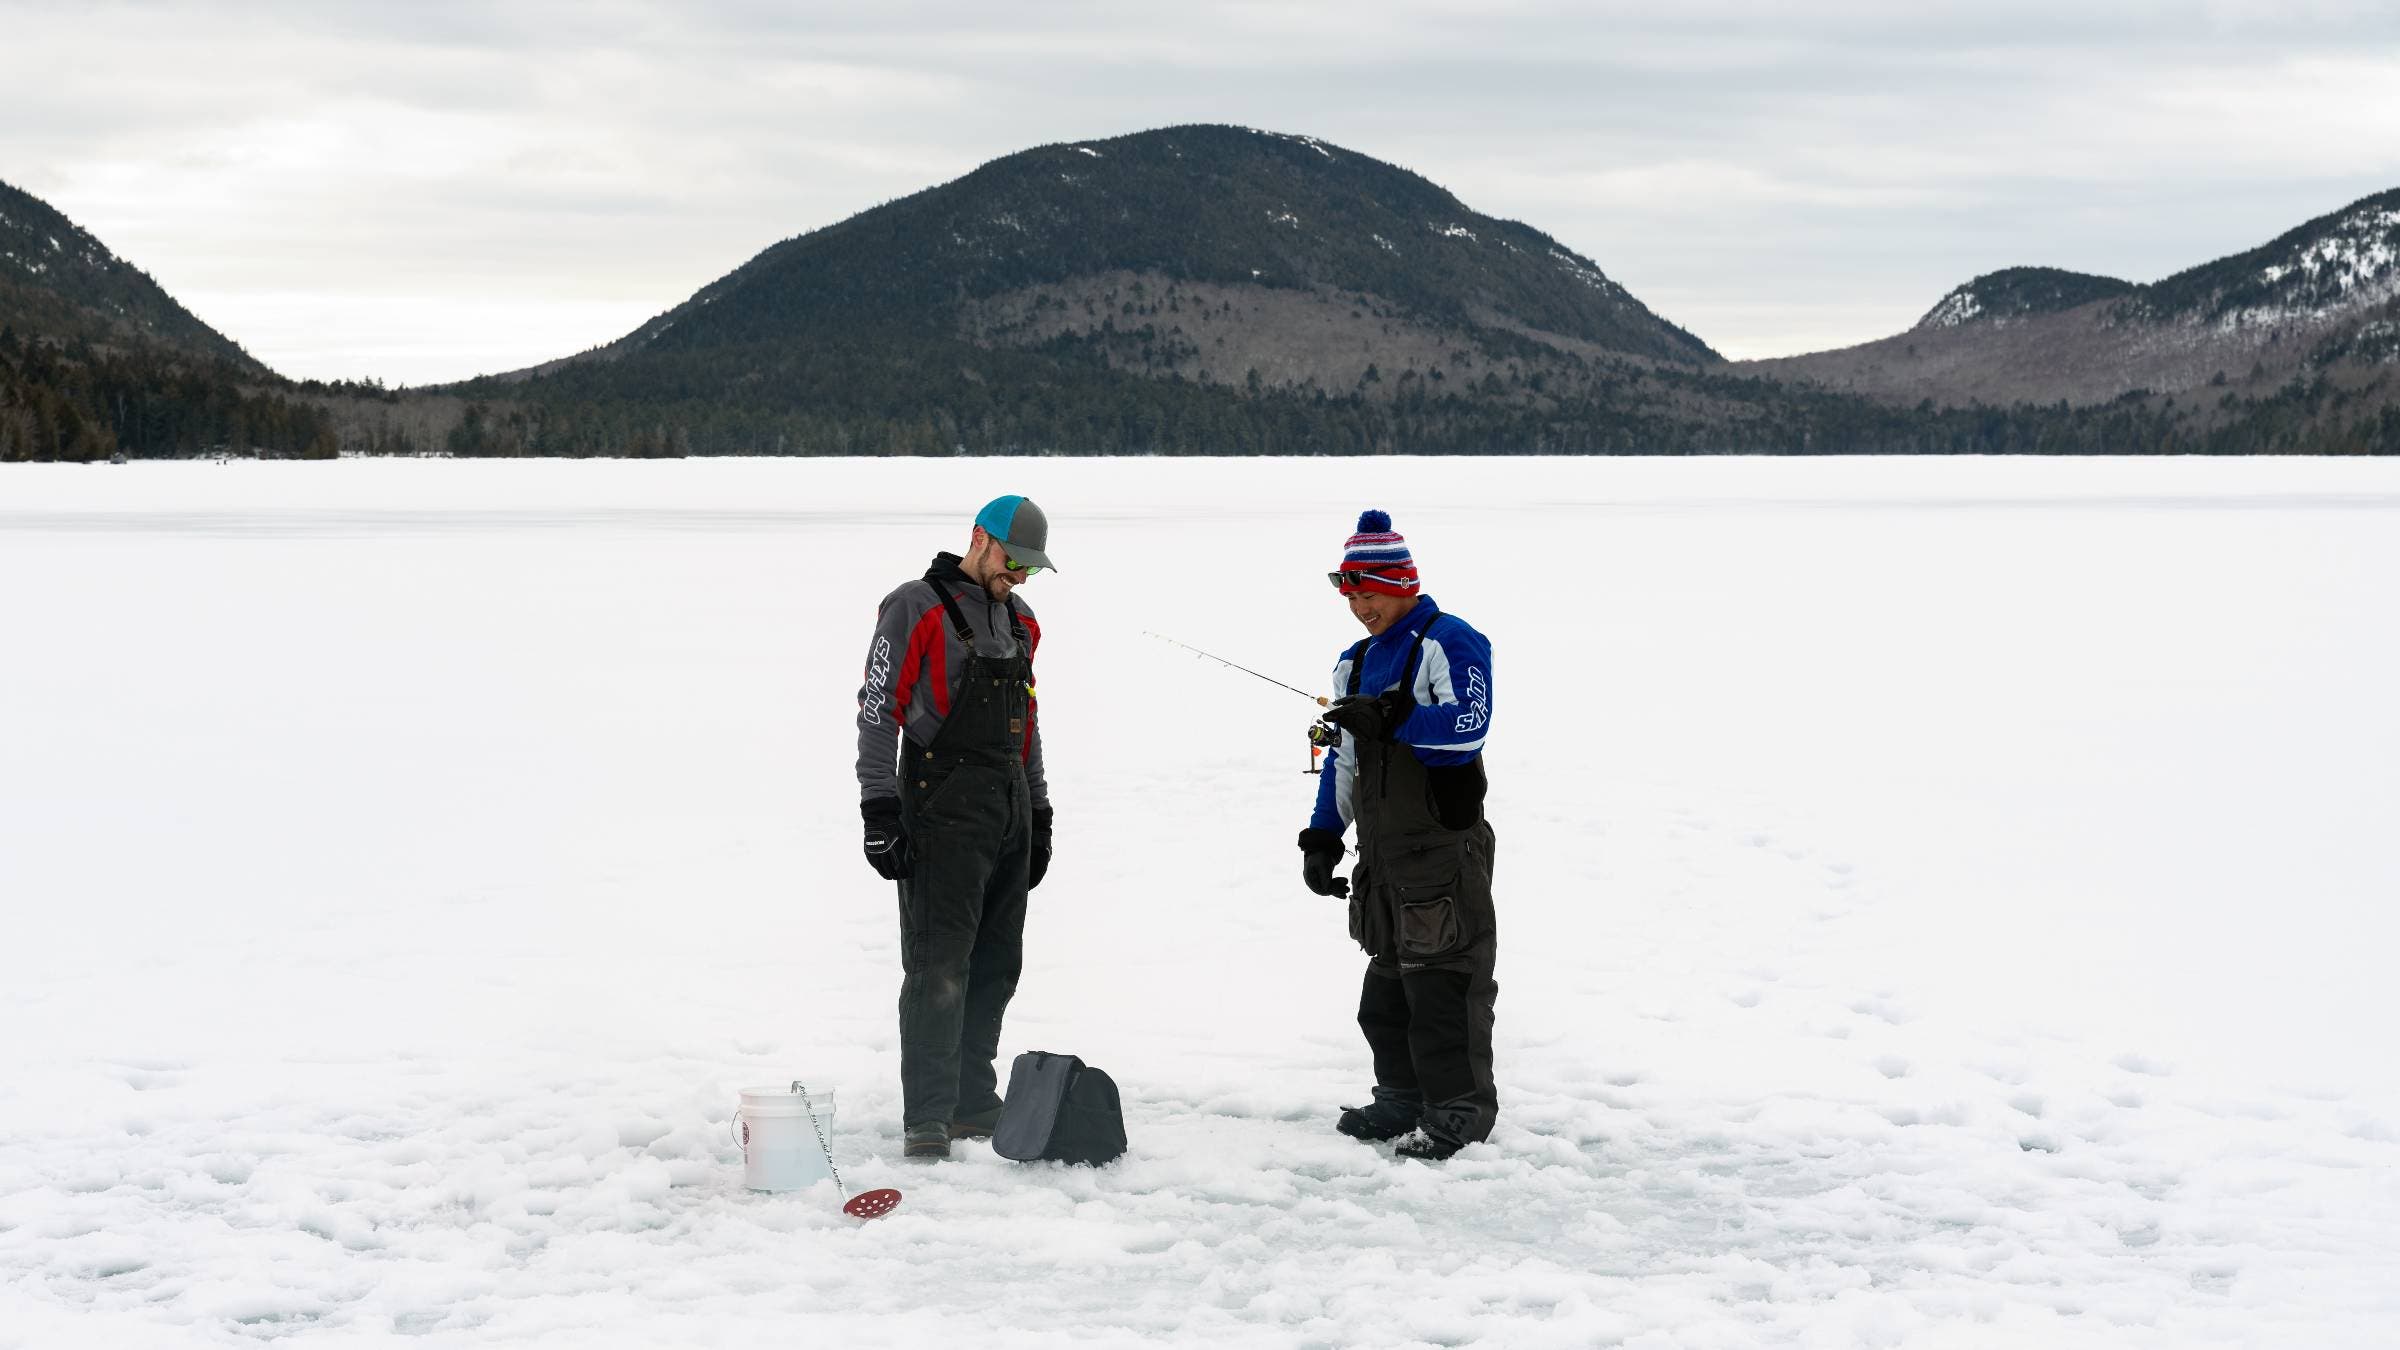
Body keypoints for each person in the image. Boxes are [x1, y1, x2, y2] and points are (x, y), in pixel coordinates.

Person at [854, 495, 1057, 1162]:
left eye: (1030, 568)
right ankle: (930, 1117)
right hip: (938, 806)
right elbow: (879, 709)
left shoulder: (1023, 622)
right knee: (939, 965)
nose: (1019, 577)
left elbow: (1026, 721)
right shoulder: (913, 607)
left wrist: (1039, 807)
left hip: (1007, 807)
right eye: (1012, 561)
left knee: (997, 965)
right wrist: (879, 808)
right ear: (980, 538)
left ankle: (973, 1102)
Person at [1299, 510, 1497, 1161]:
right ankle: (1402, 1099)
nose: (1360, 608)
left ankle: (1458, 1112)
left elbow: (1467, 726)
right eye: (1351, 596)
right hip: (1382, 860)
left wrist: (1395, 717)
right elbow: (1345, 763)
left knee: (1441, 990)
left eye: (1371, 593)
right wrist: (1323, 836)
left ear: (1405, 584)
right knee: (1385, 997)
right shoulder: (1353, 664)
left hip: (1442, 852)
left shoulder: (1450, 641)